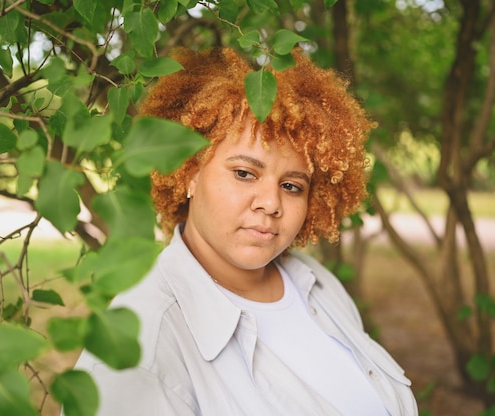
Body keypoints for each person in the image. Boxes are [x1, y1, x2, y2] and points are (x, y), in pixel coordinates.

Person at [74, 47, 418, 415]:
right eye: (244, 173)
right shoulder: (140, 346)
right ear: (188, 171)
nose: (270, 203)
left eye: (292, 186)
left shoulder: (315, 283)